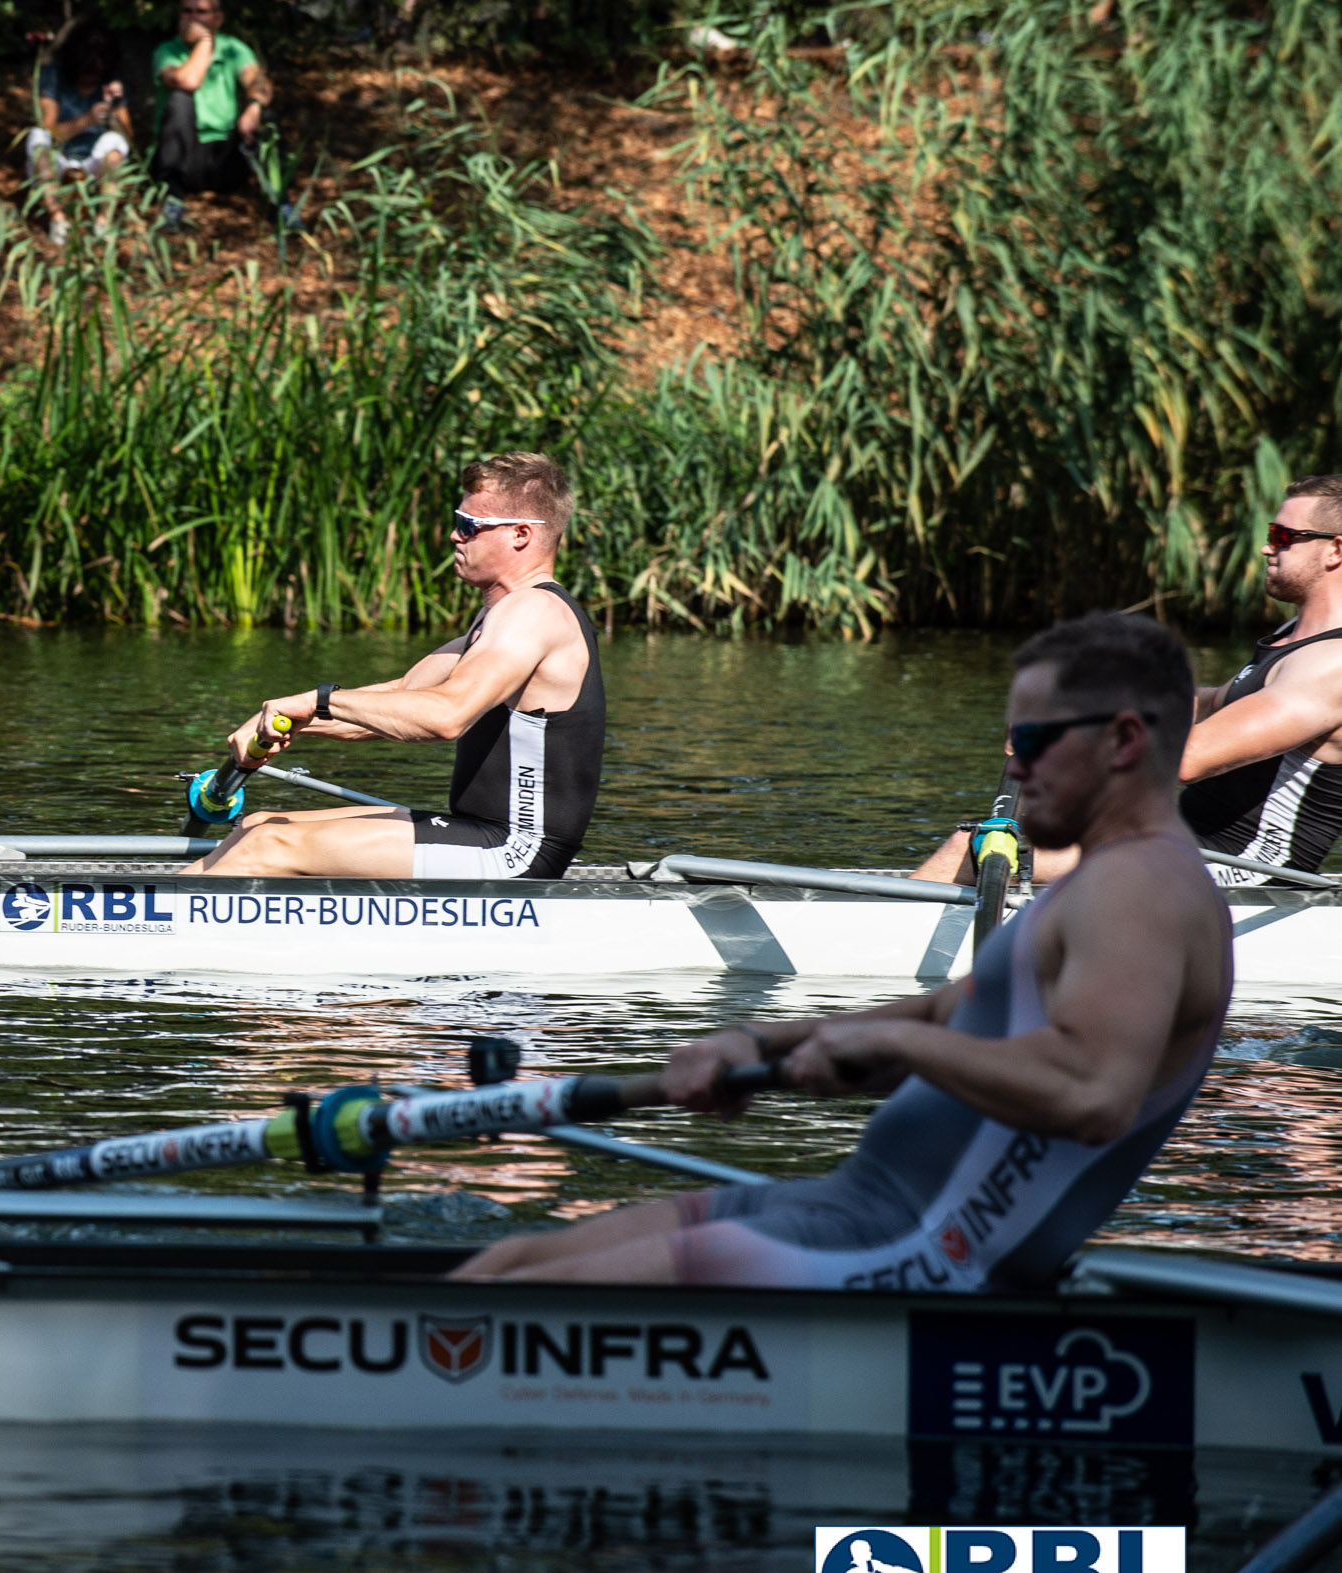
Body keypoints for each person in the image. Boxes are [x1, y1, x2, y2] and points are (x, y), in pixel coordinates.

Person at [454, 613, 1232, 1288]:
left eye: (1031, 740)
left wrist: (896, 1042)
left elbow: (1093, 1094)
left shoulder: (1141, 890)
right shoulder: (1100, 882)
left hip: (926, 1252)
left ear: (1125, 741)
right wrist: (758, 1041)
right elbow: (943, 1012)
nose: (1015, 765)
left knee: (500, 1310)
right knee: (510, 1261)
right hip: (855, 1203)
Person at [185, 451, 602, 881]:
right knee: (262, 825)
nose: (454, 537)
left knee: (267, 846)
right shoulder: (499, 620)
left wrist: (318, 699)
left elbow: (445, 717)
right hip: (483, 832)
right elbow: (399, 700)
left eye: (468, 526)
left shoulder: (533, 613)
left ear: (519, 534)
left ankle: (147, 925)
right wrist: (287, 720)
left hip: (516, 849)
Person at [915, 475, 1342, 888]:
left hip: (1247, 869)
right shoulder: (1298, 638)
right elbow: (1216, 703)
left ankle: (870, 951)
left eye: (1284, 536)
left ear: (1334, 550)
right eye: (1273, 532)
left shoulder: (1332, 665)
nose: (1268, 546)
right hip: (1185, 843)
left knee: (973, 849)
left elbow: (1188, 759)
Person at [151, 0, 295, 231]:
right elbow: (187, 82)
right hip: (184, 158)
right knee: (180, 101)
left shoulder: (233, 49)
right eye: (187, 11)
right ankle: (172, 202)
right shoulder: (166, 51)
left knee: (266, 114)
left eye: (202, 12)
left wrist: (254, 106)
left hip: (226, 156)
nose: (193, 17)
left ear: (218, 18)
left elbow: (259, 83)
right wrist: (204, 42)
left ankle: (281, 204)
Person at [27, 25, 133, 247]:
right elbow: (49, 133)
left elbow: (128, 142)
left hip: (93, 164)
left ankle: (104, 223)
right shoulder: (54, 76)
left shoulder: (111, 82)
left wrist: (114, 111)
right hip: (59, 160)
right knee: (36, 137)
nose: (90, 78)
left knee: (115, 143)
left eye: (96, 72)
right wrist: (87, 120)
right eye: (86, 72)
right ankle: (58, 220)